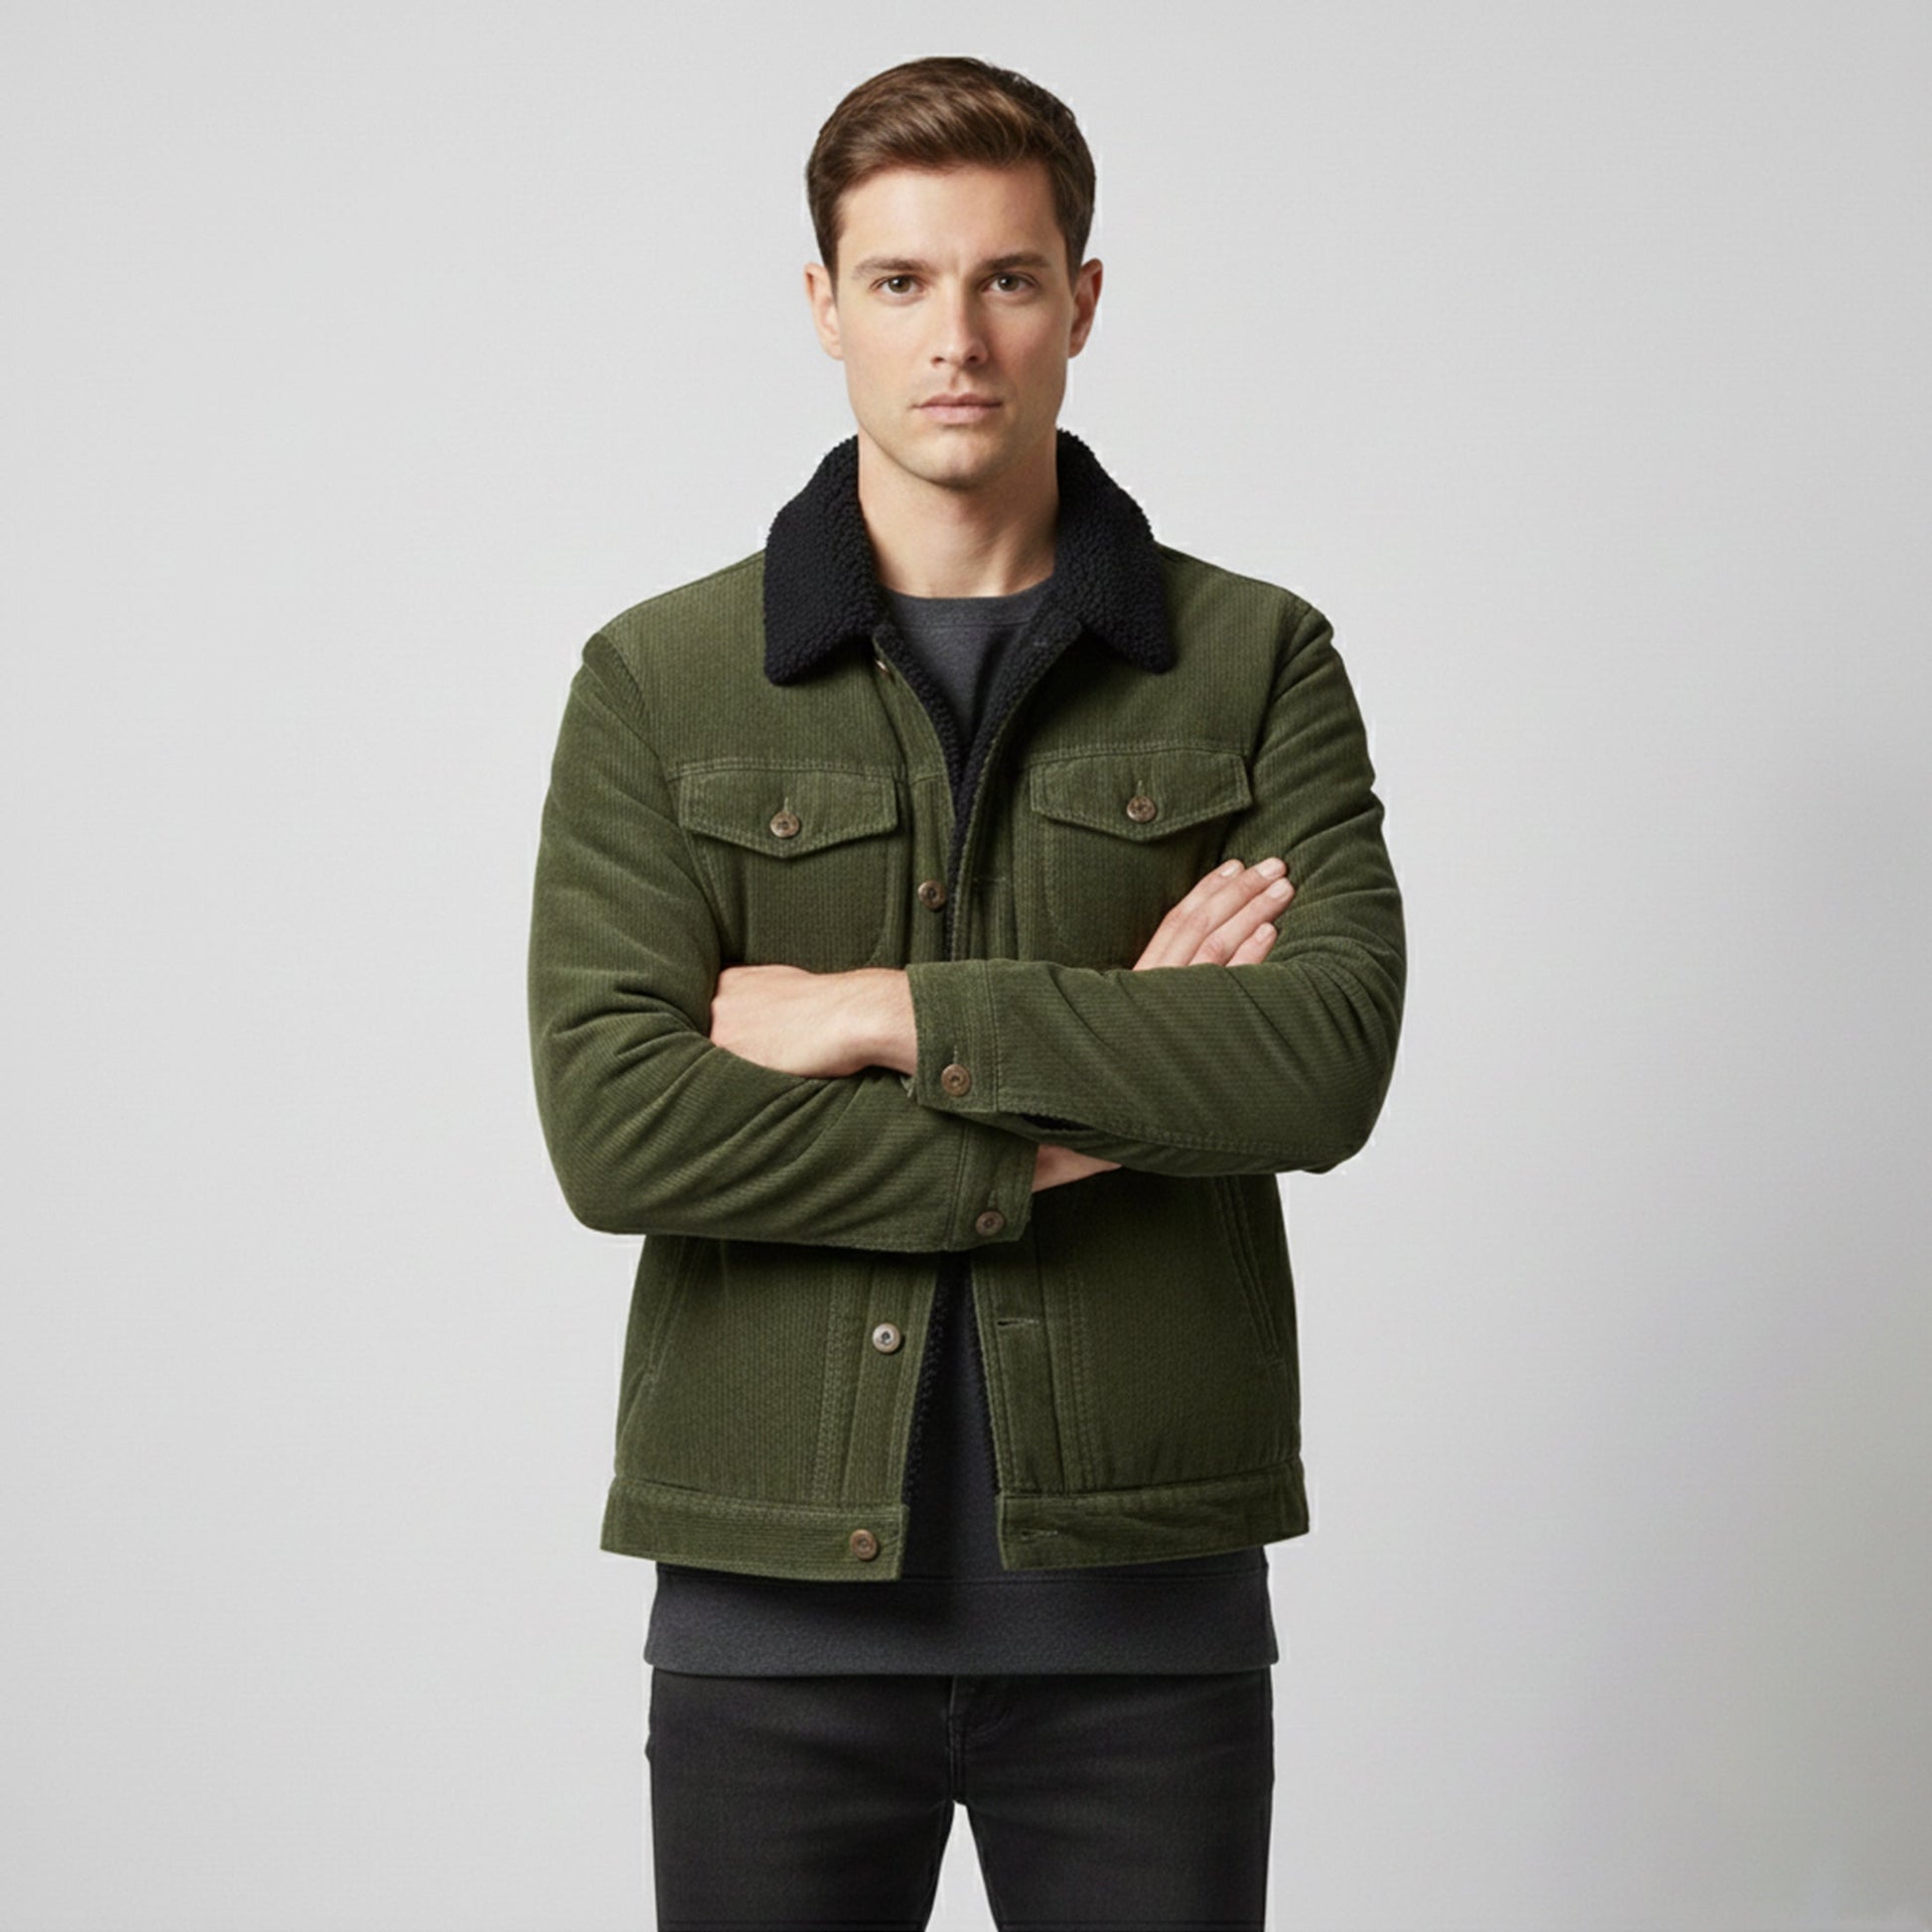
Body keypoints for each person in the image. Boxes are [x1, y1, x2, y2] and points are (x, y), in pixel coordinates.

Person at [526, 53, 1406, 1929]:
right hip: (770, 1617)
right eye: (902, 281)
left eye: (1006, 278)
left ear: (1078, 300)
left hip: (1143, 1619)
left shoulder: (1253, 660)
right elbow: (618, 1127)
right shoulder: (659, 680)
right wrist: (1094, 1108)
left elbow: (1319, 1061)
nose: (957, 338)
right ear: (824, 303)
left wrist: (881, 1013)